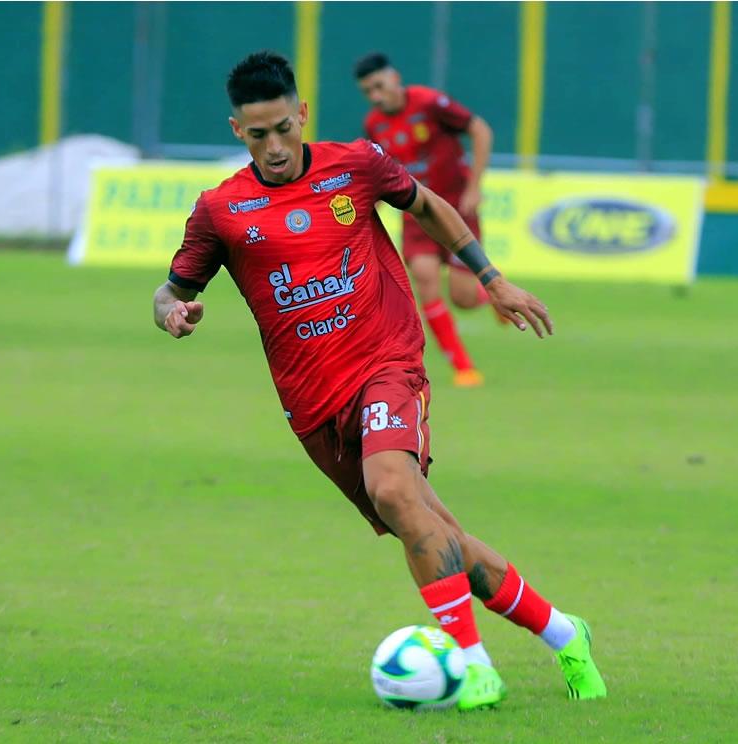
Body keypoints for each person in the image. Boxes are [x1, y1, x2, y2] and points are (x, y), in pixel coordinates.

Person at [153, 51, 606, 709]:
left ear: (302, 114)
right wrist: (174, 313)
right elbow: (169, 290)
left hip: (386, 364)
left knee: (394, 490)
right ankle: (567, 634)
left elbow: (429, 206)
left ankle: (472, 667)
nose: (275, 146)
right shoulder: (222, 210)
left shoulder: (356, 165)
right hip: (313, 406)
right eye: (259, 135)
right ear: (237, 132)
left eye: (284, 128)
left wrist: (491, 278)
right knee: (431, 529)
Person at [356, 52, 496, 388]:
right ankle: (464, 367)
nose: (376, 95)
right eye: (368, 92)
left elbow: (480, 130)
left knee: (463, 298)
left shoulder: (430, 103)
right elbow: (380, 171)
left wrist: (475, 186)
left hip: (457, 207)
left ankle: (491, 295)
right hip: (417, 212)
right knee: (424, 278)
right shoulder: (374, 124)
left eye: (379, 86)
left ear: (394, 77)